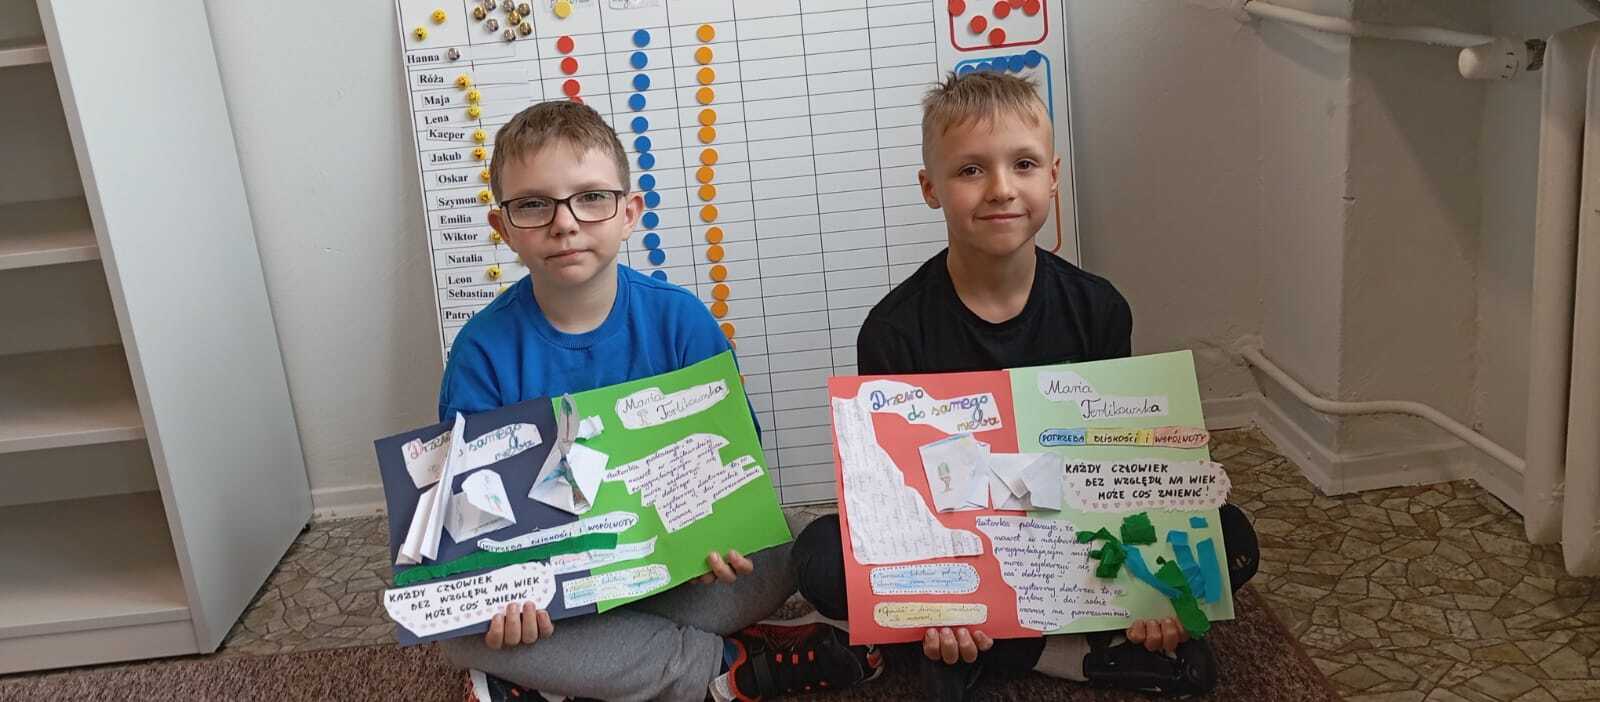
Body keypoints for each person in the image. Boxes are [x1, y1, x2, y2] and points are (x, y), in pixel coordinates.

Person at [790, 70, 1260, 700]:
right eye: (970, 170)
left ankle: (997, 648)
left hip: (1069, 536)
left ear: (1053, 177)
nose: (1001, 189)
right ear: (930, 188)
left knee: (1229, 537)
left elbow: (1118, 465)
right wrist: (944, 591)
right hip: (960, 543)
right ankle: (1064, 652)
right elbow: (897, 489)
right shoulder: (893, 330)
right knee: (820, 558)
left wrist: (1150, 592)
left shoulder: (1099, 309)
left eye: (1024, 164)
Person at [435, 100, 883, 702]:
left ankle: (575, 675)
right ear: (503, 227)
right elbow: (468, 513)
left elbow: (735, 464)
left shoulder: (681, 320)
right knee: (461, 630)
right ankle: (723, 666)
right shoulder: (480, 352)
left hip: (680, 572)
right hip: (560, 590)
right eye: (534, 205)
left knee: (797, 545)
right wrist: (508, 594)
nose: (565, 223)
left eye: (591, 198)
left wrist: (720, 537)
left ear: (629, 213)